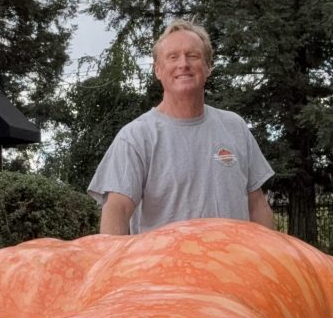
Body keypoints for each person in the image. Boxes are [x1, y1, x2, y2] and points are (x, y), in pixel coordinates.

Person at [88, 19, 276, 235]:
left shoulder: (235, 127)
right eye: (172, 57)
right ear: (158, 70)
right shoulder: (136, 136)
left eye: (193, 56)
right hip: (162, 268)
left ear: (207, 67)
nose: (183, 64)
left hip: (235, 266)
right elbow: (117, 210)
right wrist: (114, 265)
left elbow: (257, 206)